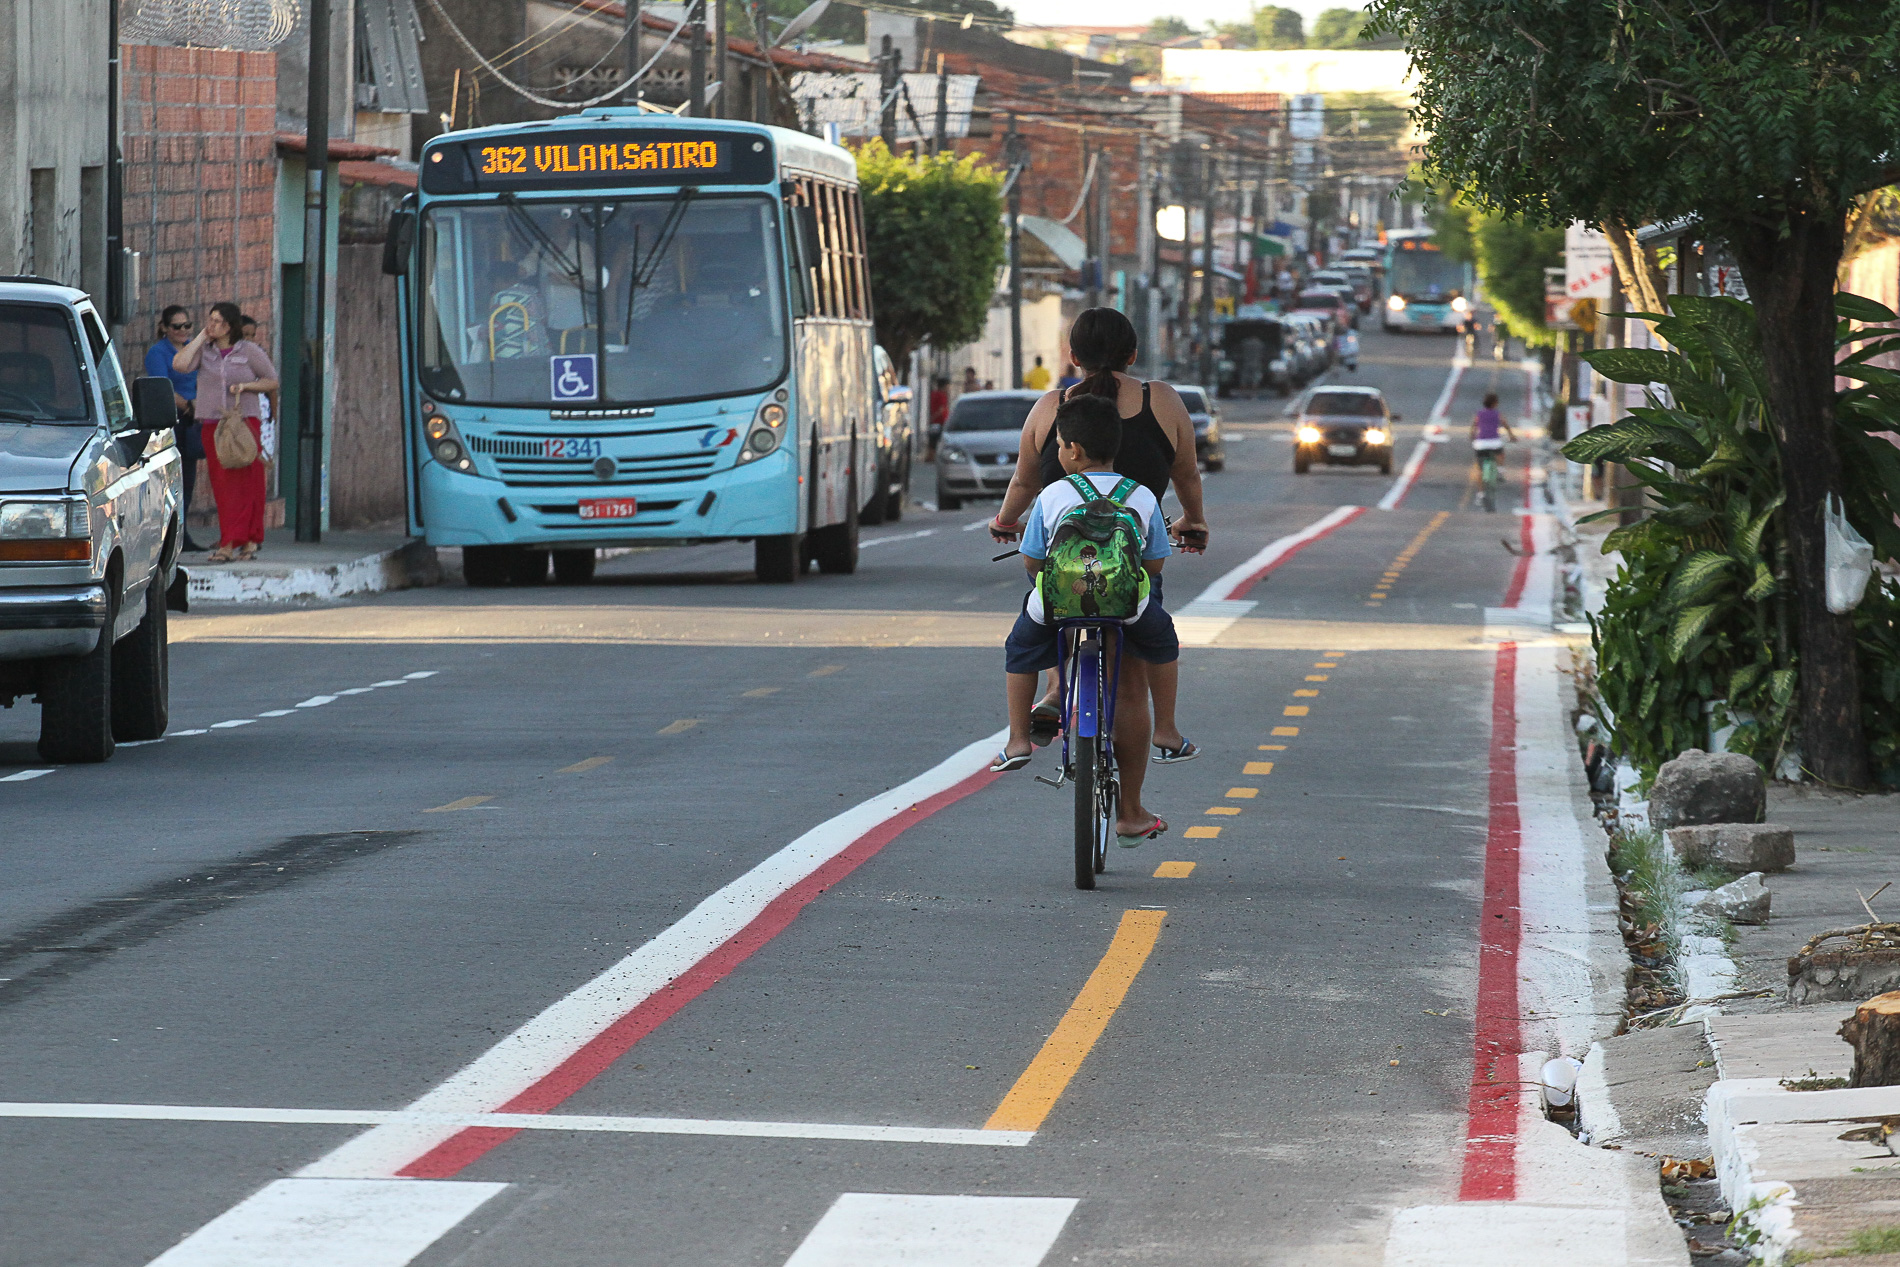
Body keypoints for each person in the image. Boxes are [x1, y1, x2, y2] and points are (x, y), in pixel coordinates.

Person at [990, 307, 1209, 763]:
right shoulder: (1162, 401)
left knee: (1049, 592)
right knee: (1133, 679)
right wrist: (1194, 521)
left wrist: (1005, 522)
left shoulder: (1052, 407)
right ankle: (1135, 797)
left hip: (1063, 580)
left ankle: (1049, 694)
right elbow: (1186, 474)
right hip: (1130, 586)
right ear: (1132, 354)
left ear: (1072, 356)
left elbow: (1024, 483)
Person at [992, 394, 1172, 845]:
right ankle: (1167, 728)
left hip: (1058, 606)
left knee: (1020, 649)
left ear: (1072, 449)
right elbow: (1154, 566)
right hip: (1127, 607)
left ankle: (1017, 739)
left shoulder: (1054, 493)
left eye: (1057, 445)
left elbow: (1033, 560)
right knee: (1163, 644)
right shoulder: (1142, 495)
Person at [174, 301, 278, 562]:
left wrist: (245, 386)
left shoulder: (248, 351)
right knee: (223, 483)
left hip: (243, 421)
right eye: (210, 319)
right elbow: (180, 365)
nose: (213, 325)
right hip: (213, 422)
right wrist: (200, 336)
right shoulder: (205, 351)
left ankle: (246, 539)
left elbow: (272, 379)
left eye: (218, 321)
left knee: (247, 481)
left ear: (230, 326)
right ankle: (230, 540)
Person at [145, 305, 206, 552]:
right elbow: (163, 387)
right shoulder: (158, 353)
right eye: (176, 326)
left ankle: (185, 531)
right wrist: (188, 405)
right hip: (175, 416)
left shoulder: (194, 349)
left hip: (196, 416)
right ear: (165, 328)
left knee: (189, 476)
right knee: (174, 476)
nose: (183, 331)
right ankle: (173, 534)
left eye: (187, 325)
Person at [1471, 391, 1518, 508]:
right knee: (1500, 453)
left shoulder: (1479, 414)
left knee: (1479, 469)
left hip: (1481, 443)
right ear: (1495, 403)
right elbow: (1505, 424)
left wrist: (1472, 435)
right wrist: (1511, 436)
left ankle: (1481, 494)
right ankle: (1501, 470)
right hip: (1494, 442)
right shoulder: (1498, 414)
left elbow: (1474, 426)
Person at [927, 375, 950, 461]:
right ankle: (933, 458)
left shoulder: (933, 394)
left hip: (934, 422)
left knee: (932, 440)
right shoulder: (942, 395)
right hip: (940, 422)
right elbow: (941, 409)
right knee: (938, 440)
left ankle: (930, 457)